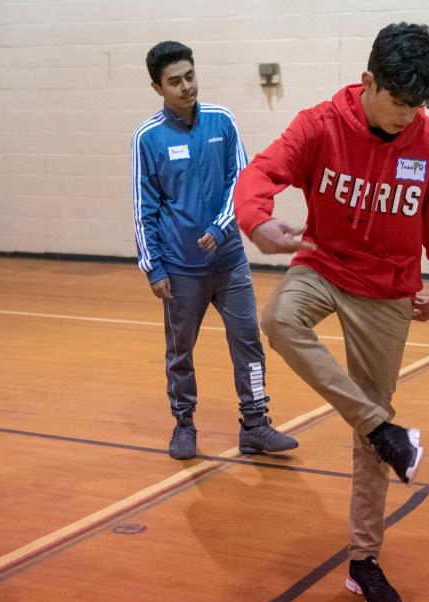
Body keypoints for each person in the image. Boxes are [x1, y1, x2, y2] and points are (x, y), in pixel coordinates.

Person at [234, 23, 429, 602]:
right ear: (368, 82)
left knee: (369, 447)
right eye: (398, 102)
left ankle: (364, 561)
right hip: (323, 263)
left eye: (418, 105)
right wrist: (259, 223)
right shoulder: (319, 125)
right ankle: (382, 428)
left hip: (388, 290)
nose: (407, 116)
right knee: (279, 318)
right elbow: (259, 174)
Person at [132, 41, 298, 461]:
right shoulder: (147, 138)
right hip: (180, 270)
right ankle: (184, 425)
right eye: (175, 81)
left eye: (190, 76)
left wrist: (221, 227)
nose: (186, 87)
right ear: (157, 87)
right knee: (179, 352)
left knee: (249, 344)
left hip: (229, 264)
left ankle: (256, 424)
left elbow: (240, 181)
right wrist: (153, 268)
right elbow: (143, 208)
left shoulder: (222, 122)